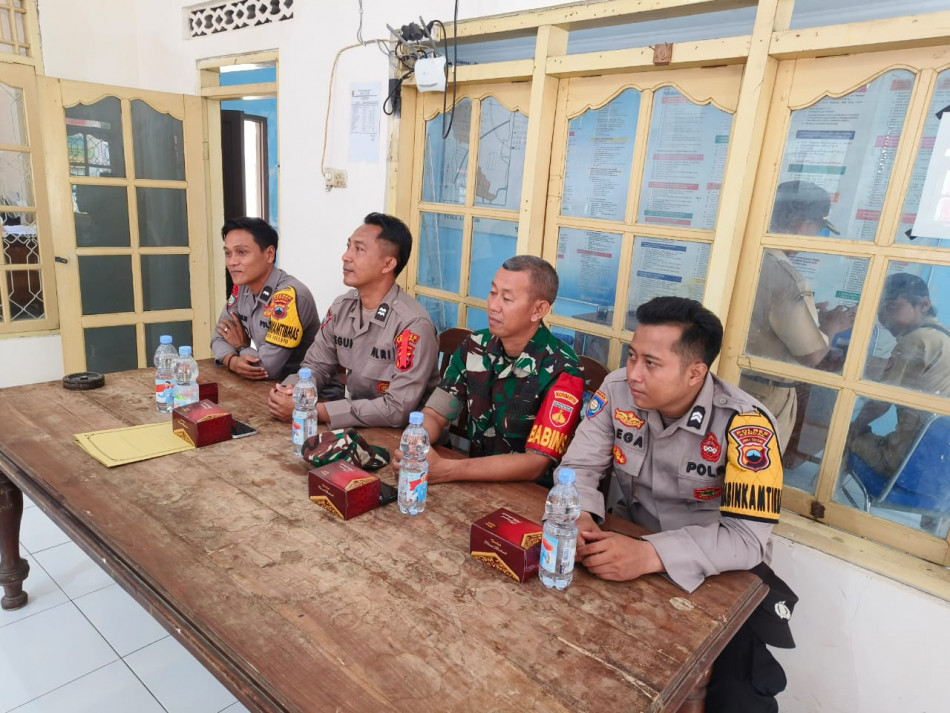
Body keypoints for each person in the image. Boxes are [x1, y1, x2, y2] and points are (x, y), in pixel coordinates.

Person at [562, 296, 795, 712]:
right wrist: (579, 516)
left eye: (651, 363)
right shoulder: (616, 390)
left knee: (736, 697)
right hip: (625, 544)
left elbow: (747, 540)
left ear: (695, 373)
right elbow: (579, 467)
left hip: (717, 569)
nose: (634, 373)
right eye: (632, 356)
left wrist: (649, 554)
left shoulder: (747, 424)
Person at [397, 255, 585, 485]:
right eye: (492, 292)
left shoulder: (564, 371)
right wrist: (415, 446)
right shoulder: (474, 346)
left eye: (506, 298)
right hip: (473, 481)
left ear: (538, 309)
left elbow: (536, 463)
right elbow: (436, 413)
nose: (493, 306)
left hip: (529, 494)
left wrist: (447, 469)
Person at [267, 213, 440, 429]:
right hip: (359, 425)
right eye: (348, 246)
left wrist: (313, 410)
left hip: (407, 437)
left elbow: (396, 409)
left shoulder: (412, 324)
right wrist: (292, 391)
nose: (345, 256)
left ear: (388, 264)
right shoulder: (342, 307)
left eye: (359, 249)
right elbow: (316, 365)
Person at [743, 180, 856, 450]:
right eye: (816, 229)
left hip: (731, 380)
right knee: (756, 466)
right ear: (801, 224)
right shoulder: (786, 278)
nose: (813, 238)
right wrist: (831, 325)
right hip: (765, 395)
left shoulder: (747, 257)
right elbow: (812, 356)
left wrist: (809, 318)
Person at [848, 273, 950, 475]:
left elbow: (880, 403)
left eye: (892, 306)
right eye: (880, 308)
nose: (883, 315)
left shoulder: (915, 339)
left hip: (904, 460)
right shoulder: (942, 335)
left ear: (924, 304)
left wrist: (853, 427)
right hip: (935, 462)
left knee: (839, 434)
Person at [211, 217, 321, 381]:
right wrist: (232, 361)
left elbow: (266, 368)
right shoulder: (242, 288)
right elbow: (218, 338)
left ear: (269, 254)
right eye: (228, 253)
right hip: (268, 387)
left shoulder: (289, 295)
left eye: (242, 252)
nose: (232, 262)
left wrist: (241, 346)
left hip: (305, 389)